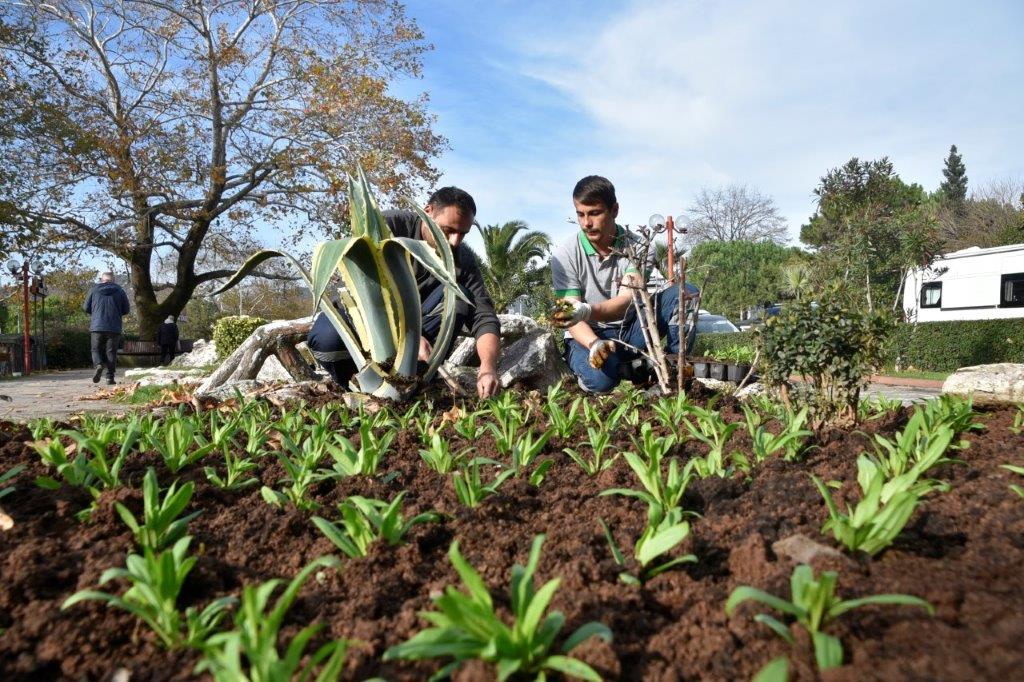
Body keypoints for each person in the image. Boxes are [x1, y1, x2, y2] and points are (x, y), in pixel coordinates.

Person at [306, 186, 501, 399]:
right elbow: (367, 289)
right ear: (428, 211)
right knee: (325, 341)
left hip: (418, 332)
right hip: (363, 316)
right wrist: (408, 336)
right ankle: (356, 388)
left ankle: (415, 384)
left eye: (462, 234)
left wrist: (488, 368)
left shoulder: (461, 258)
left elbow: (484, 316)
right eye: (448, 230)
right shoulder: (388, 228)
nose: (454, 242)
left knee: (459, 296)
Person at [550, 175, 697, 393]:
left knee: (685, 293)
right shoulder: (565, 254)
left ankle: (674, 371)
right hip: (588, 336)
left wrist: (586, 310)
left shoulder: (637, 247)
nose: (586, 223)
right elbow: (570, 318)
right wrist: (593, 344)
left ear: (615, 210)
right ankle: (597, 369)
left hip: (632, 331)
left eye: (595, 213)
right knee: (601, 381)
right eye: (580, 214)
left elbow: (627, 300)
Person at [83, 271, 131, 385]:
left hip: (97, 325)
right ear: (113, 280)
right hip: (114, 326)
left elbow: (85, 307)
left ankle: (98, 364)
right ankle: (110, 377)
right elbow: (126, 310)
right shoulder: (120, 291)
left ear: (101, 279)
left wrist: (95, 312)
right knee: (111, 352)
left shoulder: (94, 290)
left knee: (95, 349)